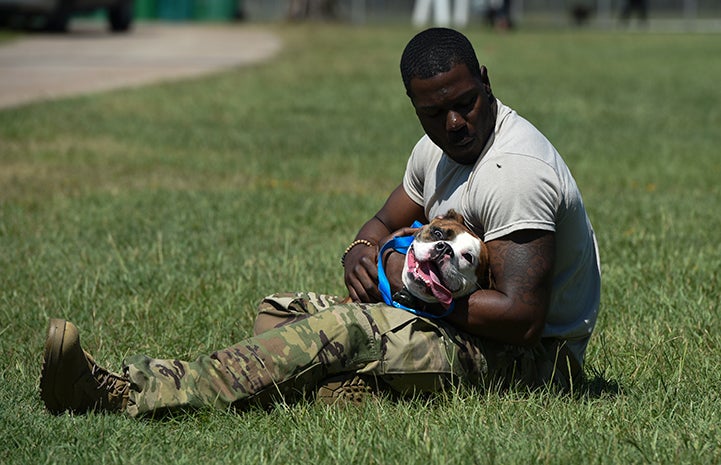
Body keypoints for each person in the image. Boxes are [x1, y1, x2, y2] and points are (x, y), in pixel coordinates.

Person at [39, 27, 601, 417]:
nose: (454, 123)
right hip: (468, 329)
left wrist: (415, 290)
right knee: (280, 313)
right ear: (413, 104)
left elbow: (524, 320)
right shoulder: (435, 151)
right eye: (433, 112)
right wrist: (361, 249)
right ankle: (348, 389)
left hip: (536, 365)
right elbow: (383, 221)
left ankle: (127, 391)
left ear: (484, 77)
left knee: (338, 331)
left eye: (466, 102)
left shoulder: (514, 172)